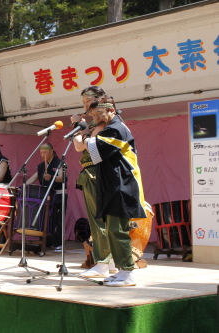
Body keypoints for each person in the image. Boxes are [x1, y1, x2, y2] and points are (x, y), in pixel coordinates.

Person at [73, 95, 146, 287]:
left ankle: (128, 272)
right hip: (114, 184)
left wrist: (83, 134)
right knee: (113, 229)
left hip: (123, 185)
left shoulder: (116, 128)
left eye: (100, 113)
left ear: (112, 110)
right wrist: (87, 136)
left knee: (117, 229)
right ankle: (121, 271)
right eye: (93, 114)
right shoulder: (112, 128)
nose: (96, 118)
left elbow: (94, 152)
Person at [72, 86, 117, 279]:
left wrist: (79, 127)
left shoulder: (101, 123)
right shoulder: (92, 124)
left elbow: (80, 145)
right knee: (102, 220)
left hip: (97, 173)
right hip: (94, 173)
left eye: (89, 101)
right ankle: (110, 262)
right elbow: (78, 146)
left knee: (100, 220)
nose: (86, 105)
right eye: (83, 102)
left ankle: (103, 263)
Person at [26, 143, 66, 253]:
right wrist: (23, 186)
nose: (42, 155)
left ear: (51, 151)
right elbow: (33, 178)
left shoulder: (59, 163)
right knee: (48, 219)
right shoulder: (41, 166)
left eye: (45, 152)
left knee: (59, 219)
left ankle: (59, 243)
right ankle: (47, 241)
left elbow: (62, 178)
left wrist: (52, 177)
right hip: (46, 196)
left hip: (59, 194)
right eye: (41, 153)